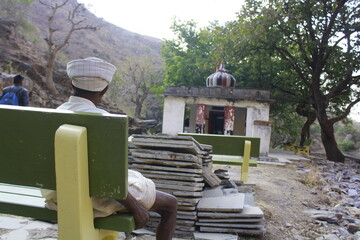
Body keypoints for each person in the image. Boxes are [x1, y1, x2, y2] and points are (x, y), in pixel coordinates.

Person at [42, 57, 177, 240]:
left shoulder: (53, 115)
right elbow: (110, 180)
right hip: (93, 200)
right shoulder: (104, 121)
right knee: (170, 205)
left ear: (72, 85)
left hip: (58, 197)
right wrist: (134, 206)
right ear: (104, 89)